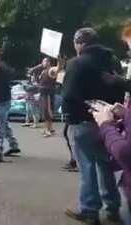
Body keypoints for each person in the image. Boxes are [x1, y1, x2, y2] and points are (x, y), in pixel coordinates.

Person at [63, 27, 123, 224]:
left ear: (80, 43)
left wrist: (69, 115)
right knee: (105, 165)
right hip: (109, 120)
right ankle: (113, 207)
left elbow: (69, 95)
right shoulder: (112, 61)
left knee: (87, 166)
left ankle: (90, 210)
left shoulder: (77, 63)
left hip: (84, 120)